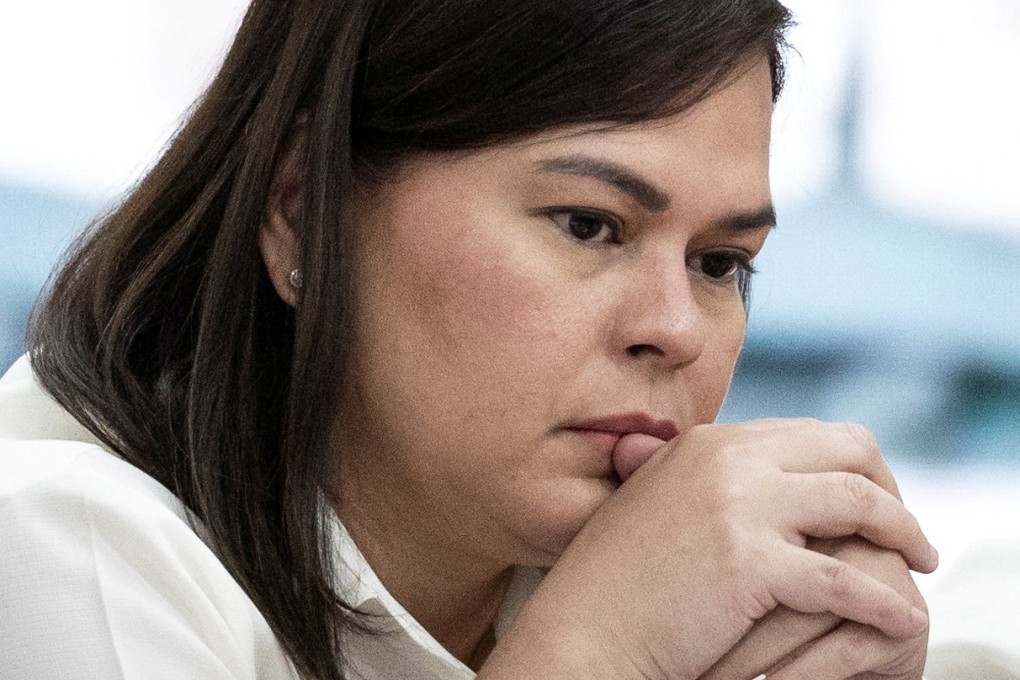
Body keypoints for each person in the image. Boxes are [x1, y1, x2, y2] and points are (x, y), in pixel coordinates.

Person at [0, 1, 938, 678]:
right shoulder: (56, 546)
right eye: (588, 224)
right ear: (303, 213)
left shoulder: (702, 601)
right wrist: (600, 652)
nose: (676, 330)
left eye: (722, 262)